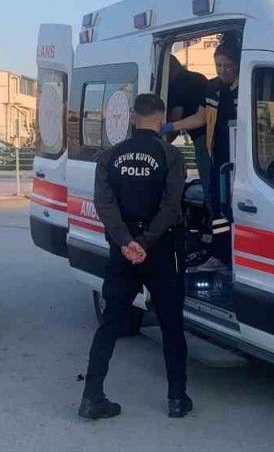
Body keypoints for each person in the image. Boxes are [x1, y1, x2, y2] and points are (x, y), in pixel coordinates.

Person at [79, 93, 192, 420]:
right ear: (161, 120)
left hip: (122, 253)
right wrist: (146, 241)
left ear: (132, 117)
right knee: (171, 324)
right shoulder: (171, 155)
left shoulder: (109, 156)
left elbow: (104, 205)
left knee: (110, 323)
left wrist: (127, 242)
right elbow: (171, 206)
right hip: (160, 251)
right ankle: (176, 399)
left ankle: (92, 396)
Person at [166, 35, 240, 267]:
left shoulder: (247, 85)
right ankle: (220, 254)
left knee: (239, 207)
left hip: (243, 154)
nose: (223, 71)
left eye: (228, 66)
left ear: (238, 64)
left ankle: (237, 253)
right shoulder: (212, 87)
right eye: (219, 65)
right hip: (219, 154)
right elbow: (201, 118)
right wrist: (168, 127)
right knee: (217, 205)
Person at [165, 54, 212, 210]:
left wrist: (162, 142)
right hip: (216, 135)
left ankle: (213, 216)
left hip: (203, 138)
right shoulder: (198, 77)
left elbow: (176, 117)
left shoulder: (177, 84)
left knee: (208, 183)